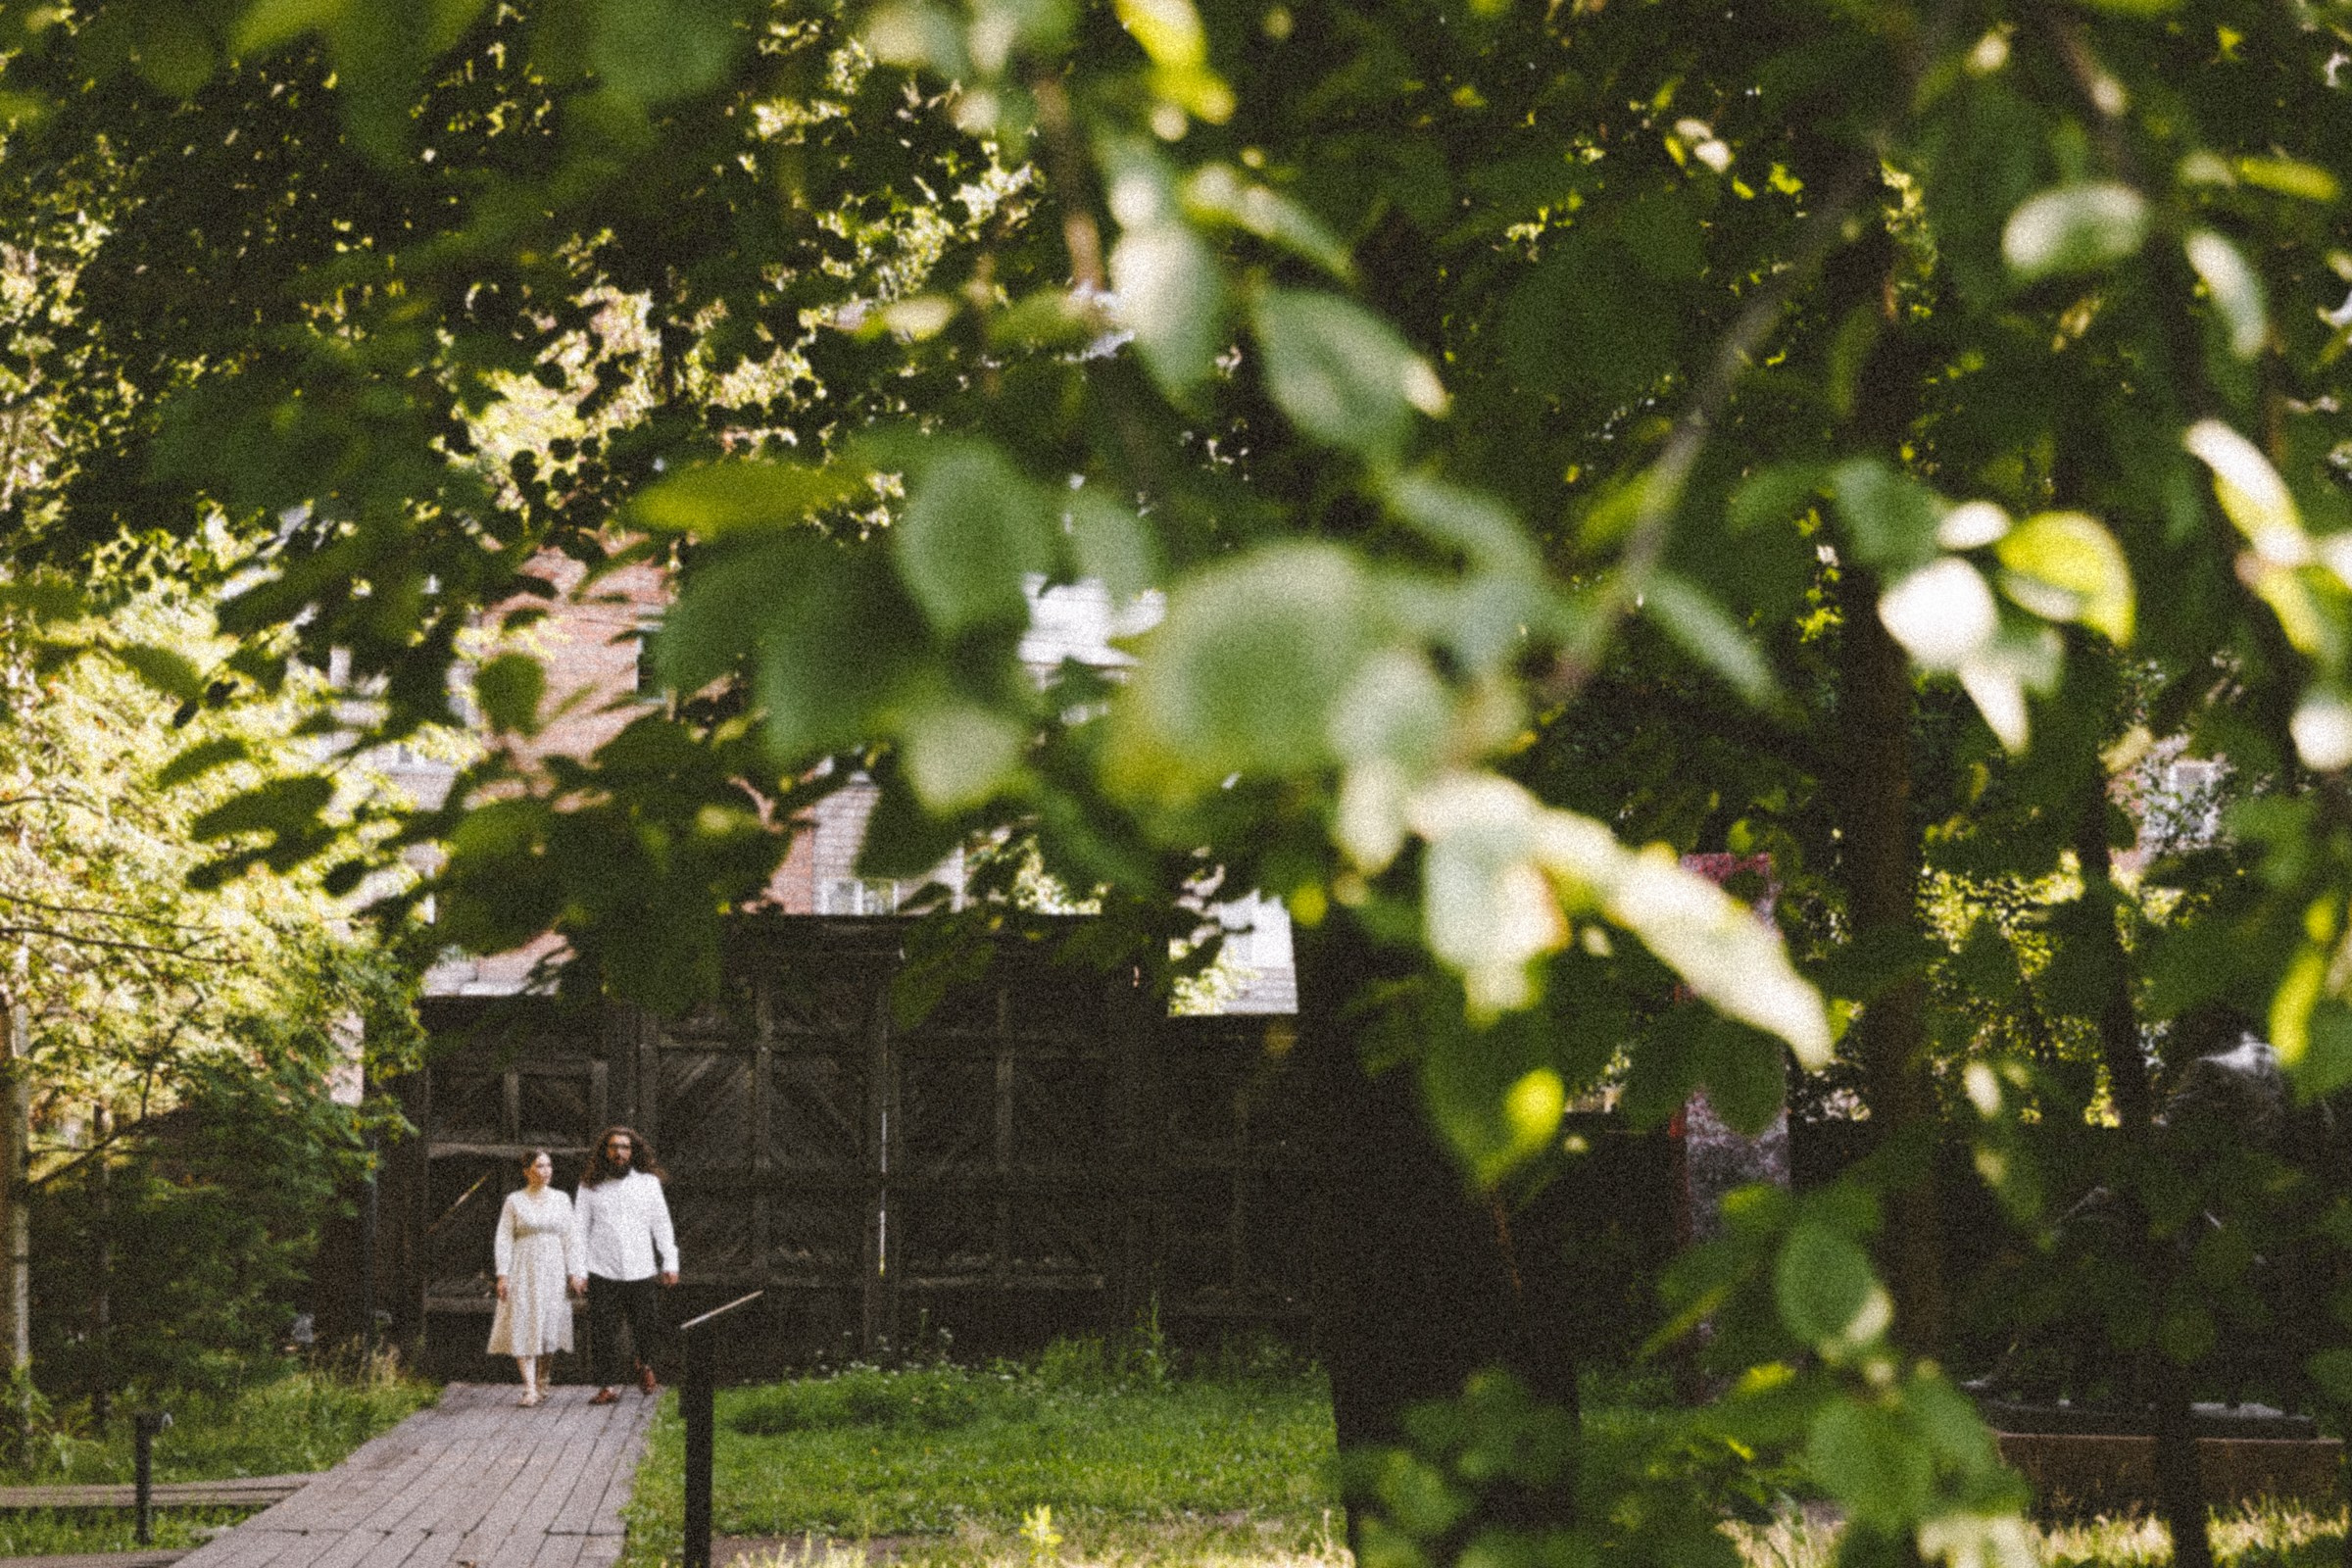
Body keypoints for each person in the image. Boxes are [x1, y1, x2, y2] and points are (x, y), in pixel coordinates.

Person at [569, 1124, 678, 1404]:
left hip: (641, 1268)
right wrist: (578, 1272)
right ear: (605, 1151)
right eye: (614, 1147)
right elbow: (578, 1230)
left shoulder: (648, 1183)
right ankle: (607, 1385)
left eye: (625, 1147)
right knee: (603, 1330)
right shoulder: (590, 1185)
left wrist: (670, 1261)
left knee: (647, 1324)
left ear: (633, 1151)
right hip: (602, 1268)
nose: (619, 1152)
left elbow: (661, 1224)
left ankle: (645, 1365)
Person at [486, 1149, 580, 1407]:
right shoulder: (514, 1201)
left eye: (549, 1165)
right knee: (524, 1320)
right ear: (526, 1171)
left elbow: (571, 1238)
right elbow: (503, 1238)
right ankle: (528, 1387)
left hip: (553, 1268)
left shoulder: (562, 1199)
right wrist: (502, 1274)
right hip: (524, 1268)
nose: (546, 1171)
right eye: (539, 1166)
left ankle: (543, 1378)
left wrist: (575, 1272)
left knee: (550, 1322)